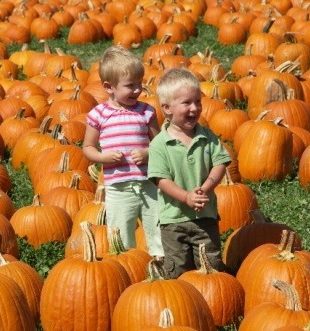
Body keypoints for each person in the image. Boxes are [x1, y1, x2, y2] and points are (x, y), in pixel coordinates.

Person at [148, 67, 232, 278]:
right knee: (177, 268)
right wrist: (185, 197)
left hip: (205, 217)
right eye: (187, 103)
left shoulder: (206, 136)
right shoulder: (159, 144)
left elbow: (220, 163)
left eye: (198, 101)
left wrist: (205, 188)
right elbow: (161, 179)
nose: (194, 108)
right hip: (173, 221)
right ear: (167, 108)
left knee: (210, 267)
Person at [82, 45, 164, 258]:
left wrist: (147, 153)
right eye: (130, 86)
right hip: (118, 186)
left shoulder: (146, 111)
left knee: (156, 226)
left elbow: (160, 142)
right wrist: (103, 158)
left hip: (148, 183)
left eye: (140, 84)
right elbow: (88, 148)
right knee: (120, 230)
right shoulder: (98, 115)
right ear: (109, 87)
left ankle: (161, 261)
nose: (138, 90)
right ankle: (126, 265)